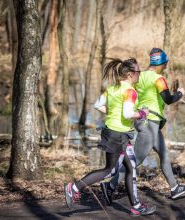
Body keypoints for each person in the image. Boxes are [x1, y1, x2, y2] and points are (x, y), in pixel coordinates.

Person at [63, 58, 156, 216]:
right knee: (110, 171)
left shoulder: (113, 88)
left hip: (116, 133)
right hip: (118, 135)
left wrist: (113, 113)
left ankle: (136, 206)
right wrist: (142, 113)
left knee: (131, 166)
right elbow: (127, 113)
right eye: (138, 72)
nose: (140, 74)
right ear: (129, 74)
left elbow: (98, 105)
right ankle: (74, 188)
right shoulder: (129, 91)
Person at [100, 48, 185, 205]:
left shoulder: (139, 76)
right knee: (135, 161)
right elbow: (169, 99)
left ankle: (175, 188)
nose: (166, 65)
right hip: (149, 123)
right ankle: (109, 185)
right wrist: (180, 93)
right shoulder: (158, 79)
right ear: (161, 63)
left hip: (148, 122)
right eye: (165, 63)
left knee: (164, 154)